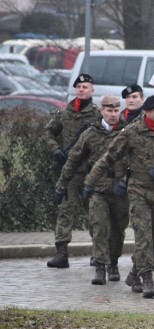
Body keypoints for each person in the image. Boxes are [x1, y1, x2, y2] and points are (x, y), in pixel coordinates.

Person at [84, 95, 154, 298]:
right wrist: (90, 182)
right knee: (143, 236)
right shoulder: (132, 132)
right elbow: (109, 157)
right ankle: (147, 278)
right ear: (147, 111)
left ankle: (134, 274)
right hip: (138, 191)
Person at [55, 95, 128, 285]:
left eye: (116, 110)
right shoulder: (90, 133)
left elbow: (138, 161)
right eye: (109, 111)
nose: (113, 115)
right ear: (101, 111)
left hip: (120, 190)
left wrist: (126, 180)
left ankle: (113, 262)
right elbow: (73, 160)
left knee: (118, 231)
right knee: (99, 227)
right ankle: (100, 267)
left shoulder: (128, 133)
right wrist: (61, 184)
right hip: (98, 189)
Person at [46, 73, 101, 269]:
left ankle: (98, 253)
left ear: (92, 90)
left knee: (95, 213)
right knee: (64, 212)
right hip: (68, 173)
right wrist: (56, 150)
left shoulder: (97, 115)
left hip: (89, 173)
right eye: (79, 87)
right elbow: (49, 132)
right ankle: (61, 253)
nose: (82, 90)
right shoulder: (65, 113)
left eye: (85, 87)